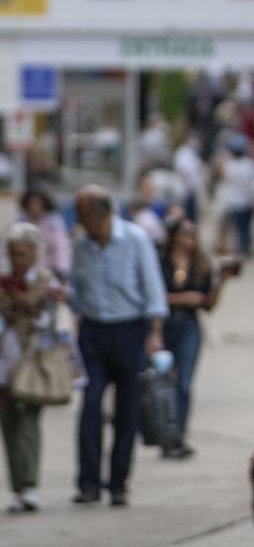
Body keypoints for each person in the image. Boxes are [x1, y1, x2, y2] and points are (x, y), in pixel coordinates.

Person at [69, 186, 167, 507]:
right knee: (91, 406)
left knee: (127, 410)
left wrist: (154, 332)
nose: (80, 223)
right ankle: (88, 482)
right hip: (93, 333)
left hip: (129, 330)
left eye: (83, 216)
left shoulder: (135, 239)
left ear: (100, 215)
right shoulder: (82, 245)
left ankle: (118, 483)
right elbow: (77, 290)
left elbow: (153, 287)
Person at [159, 215, 236, 460]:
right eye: (185, 234)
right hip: (163, 324)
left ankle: (178, 435)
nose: (190, 239)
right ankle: (162, 432)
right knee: (163, 383)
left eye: (193, 234)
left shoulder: (201, 263)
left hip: (190, 325)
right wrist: (181, 299)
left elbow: (207, 305)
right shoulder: (160, 261)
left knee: (183, 383)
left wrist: (221, 283)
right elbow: (152, 296)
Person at [0, 224, 63, 512]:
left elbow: (49, 320)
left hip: (32, 359)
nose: (18, 260)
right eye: (13, 254)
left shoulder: (44, 282)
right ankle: (18, 487)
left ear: (35, 254)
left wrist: (28, 308)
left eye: (23, 254)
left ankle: (31, 484)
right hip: (5, 358)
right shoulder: (3, 281)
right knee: (9, 424)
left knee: (28, 422)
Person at [215, 142, 254, 257]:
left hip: (236, 200)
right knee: (246, 227)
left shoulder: (231, 165)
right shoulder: (248, 164)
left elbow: (223, 176)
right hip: (247, 199)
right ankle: (247, 248)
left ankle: (243, 248)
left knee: (240, 228)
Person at [17, 189, 69, 278]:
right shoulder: (21, 221)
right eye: (31, 203)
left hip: (50, 271)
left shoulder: (53, 222)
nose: (33, 207)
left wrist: (61, 271)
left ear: (44, 204)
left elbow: (61, 248)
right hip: (26, 272)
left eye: (37, 203)